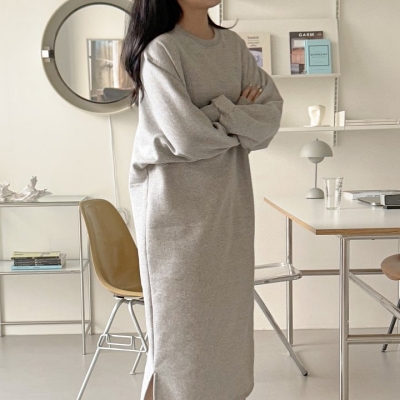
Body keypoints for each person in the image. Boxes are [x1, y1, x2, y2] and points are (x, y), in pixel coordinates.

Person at [122, 1, 283, 399]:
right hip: (175, 210)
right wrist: (235, 111)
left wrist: (210, 115)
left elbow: (268, 120)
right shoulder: (161, 51)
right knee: (181, 333)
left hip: (229, 204)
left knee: (228, 327)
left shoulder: (233, 47)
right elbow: (187, 137)